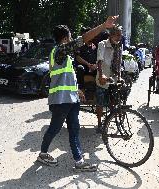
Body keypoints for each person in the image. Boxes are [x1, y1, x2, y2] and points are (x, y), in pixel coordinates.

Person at [37, 15, 119, 171]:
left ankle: (79, 162)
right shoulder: (59, 51)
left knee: (74, 129)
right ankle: (43, 153)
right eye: (71, 35)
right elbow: (82, 39)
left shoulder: (65, 56)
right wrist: (103, 26)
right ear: (66, 37)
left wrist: (77, 90)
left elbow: (66, 78)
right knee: (54, 128)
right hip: (60, 101)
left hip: (71, 99)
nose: (73, 37)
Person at [96, 25, 123, 132]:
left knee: (115, 100)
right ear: (111, 35)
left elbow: (119, 64)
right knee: (100, 102)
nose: (119, 37)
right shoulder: (102, 44)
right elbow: (100, 60)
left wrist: (120, 77)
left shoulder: (119, 47)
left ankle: (112, 119)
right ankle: (99, 123)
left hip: (114, 77)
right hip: (103, 76)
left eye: (120, 35)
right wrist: (101, 74)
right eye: (117, 35)